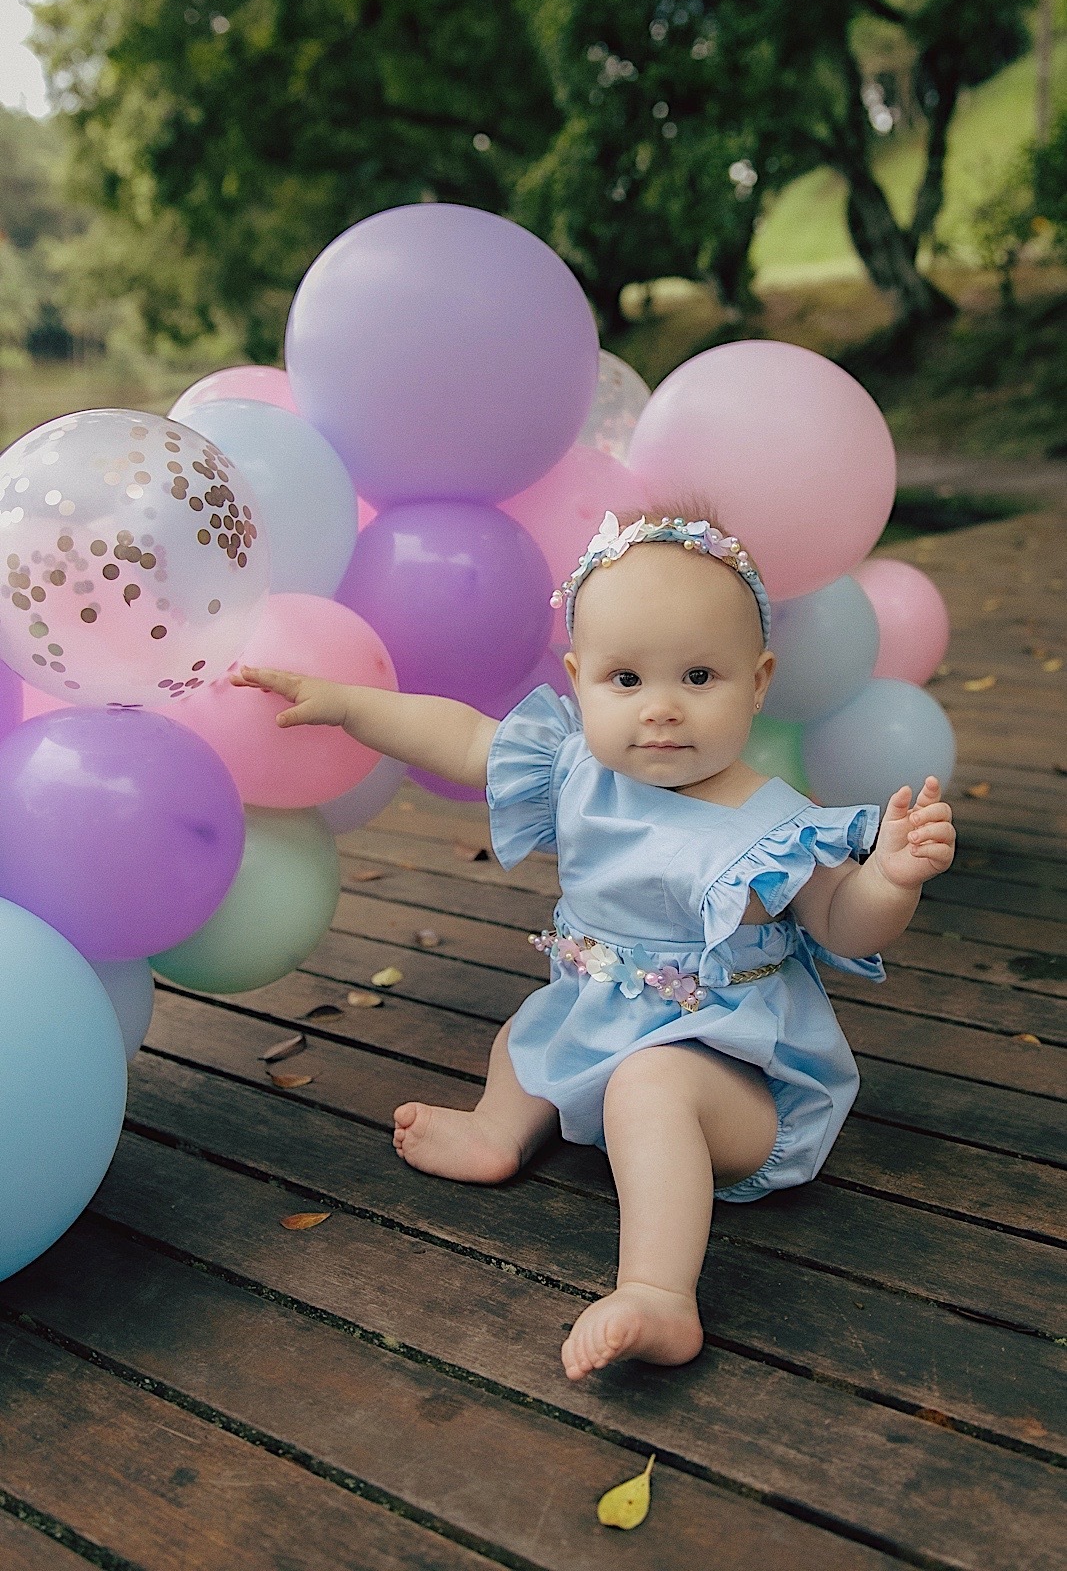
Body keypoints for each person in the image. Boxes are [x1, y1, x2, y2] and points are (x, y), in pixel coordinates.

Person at [233, 510, 956, 1383]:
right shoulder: (576, 770)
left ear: (757, 682)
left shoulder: (775, 828)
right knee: (528, 1033)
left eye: (698, 676)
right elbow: (459, 735)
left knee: (646, 1088)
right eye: (625, 678)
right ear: (577, 681)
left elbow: (842, 924)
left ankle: (657, 1292)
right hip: (595, 1016)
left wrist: (889, 882)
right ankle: (500, 1133)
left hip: (732, 1079)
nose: (660, 708)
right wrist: (350, 705)